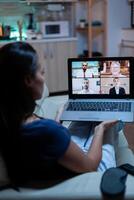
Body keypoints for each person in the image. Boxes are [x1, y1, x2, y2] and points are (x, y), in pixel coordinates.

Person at [0, 42, 119, 186]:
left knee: (84, 120)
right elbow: (90, 166)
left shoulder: (10, 119)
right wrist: (101, 129)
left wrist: (58, 117)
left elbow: (45, 137)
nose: (43, 78)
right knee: (111, 121)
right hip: (89, 171)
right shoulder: (47, 130)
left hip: (62, 156)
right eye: (41, 72)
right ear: (28, 80)